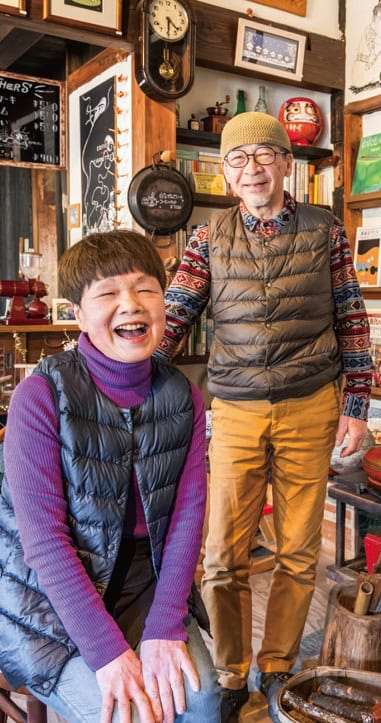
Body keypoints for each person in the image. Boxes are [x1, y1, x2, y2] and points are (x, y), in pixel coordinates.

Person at [155, 111, 372, 721]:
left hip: (312, 404)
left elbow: (352, 318)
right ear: (226, 174)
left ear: (285, 163)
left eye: (262, 156)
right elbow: (176, 312)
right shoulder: (207, 238)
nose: (251, 169)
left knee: (300, 552)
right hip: (236, 408)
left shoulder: (326, 230)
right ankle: (229, 671)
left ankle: (276, 667)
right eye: (237, 159)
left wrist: (356, 404)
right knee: (223, 552)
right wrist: (133, 373)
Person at [0, 230, 220, 723]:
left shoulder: (183, 396)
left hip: (143, 581)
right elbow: (44, 544)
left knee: (203, 703)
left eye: (145, 289)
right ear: (78, 314)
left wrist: (166, 627)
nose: (131, 305)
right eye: (107, 294)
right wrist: (108, 654)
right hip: (45, 594)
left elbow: (187, 518)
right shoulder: (40, 397)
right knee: (134, 716)